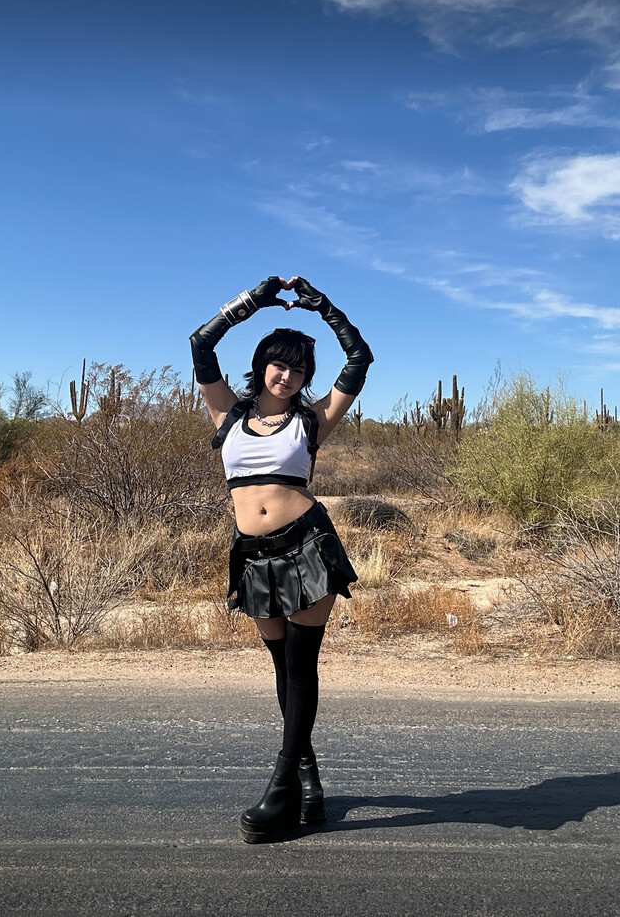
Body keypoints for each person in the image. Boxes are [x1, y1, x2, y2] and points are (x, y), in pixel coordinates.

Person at [190, 275, 373, 843]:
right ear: (261, 365)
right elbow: (201, 343)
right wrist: (254, 300)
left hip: (307, 548)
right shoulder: (227, 413)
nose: (286, 375)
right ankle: (307, 779)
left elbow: (359, 358)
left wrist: (323, 307)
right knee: (281, 668)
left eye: (297, 369)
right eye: (278, 364)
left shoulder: (311, 420)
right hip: (253, 556)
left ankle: (282, 788)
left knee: (300, 666)